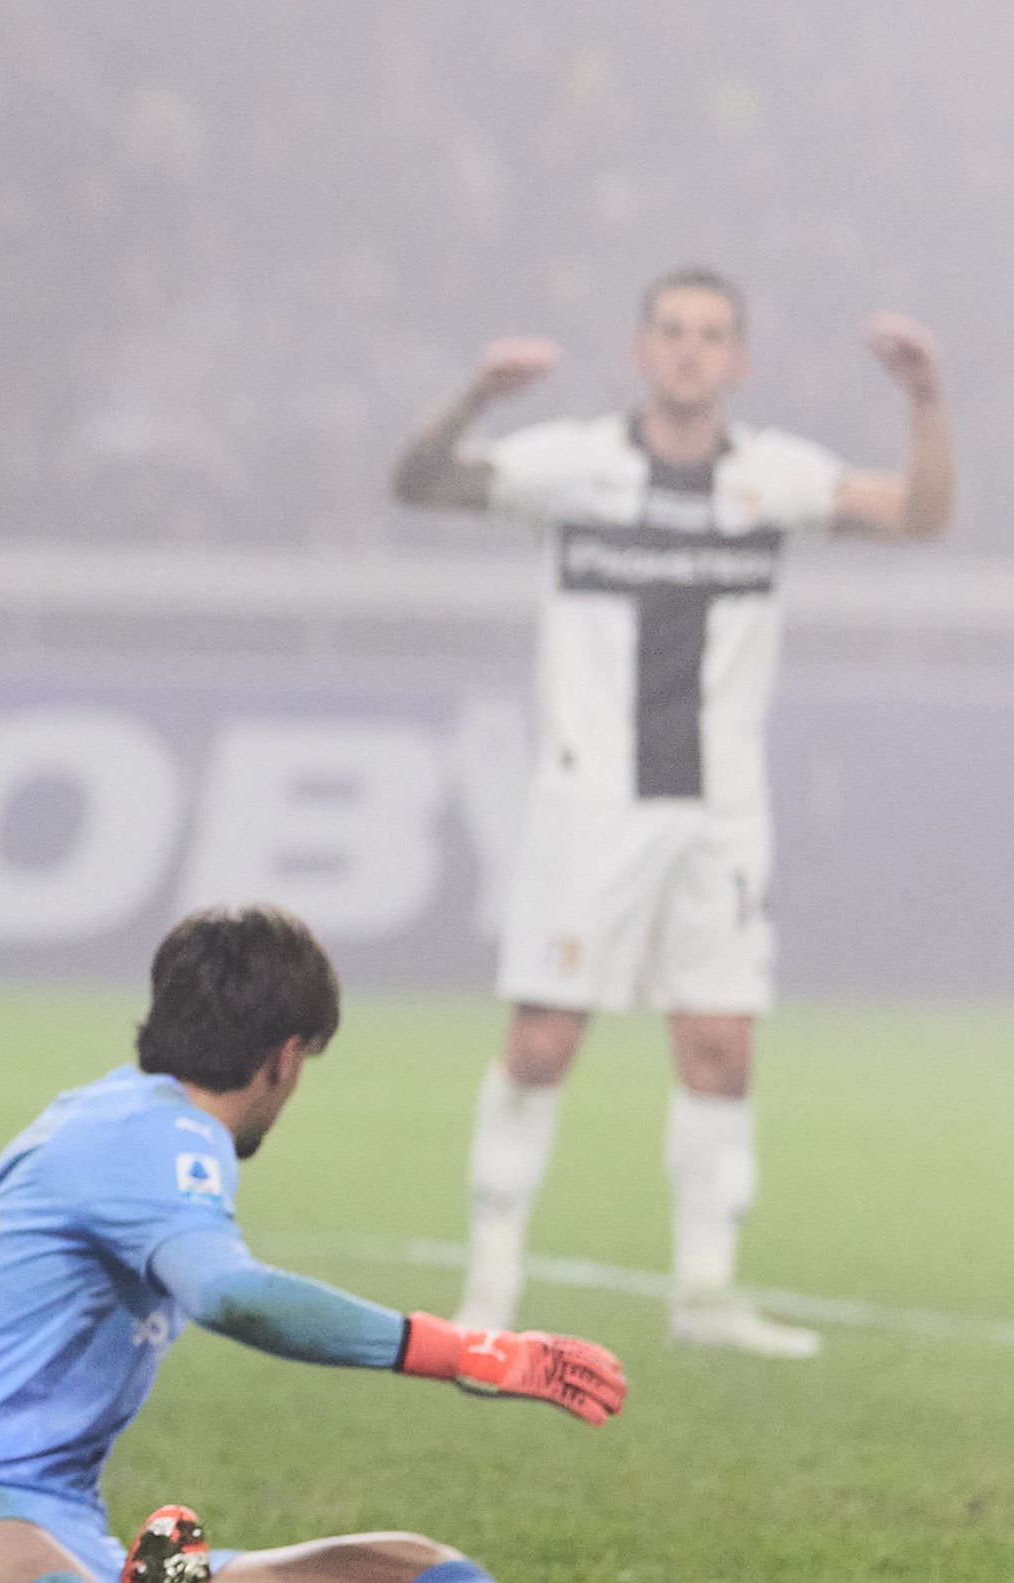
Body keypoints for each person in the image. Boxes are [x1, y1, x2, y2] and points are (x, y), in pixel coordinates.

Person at [0, 906, 805, 1583]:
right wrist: (472, 1351)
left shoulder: (104, 1116)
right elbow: (233, 1296)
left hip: (77, 1543)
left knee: (409, 1572)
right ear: (286, 1056)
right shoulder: (158, 1138)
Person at [390, 270, 952, 1357]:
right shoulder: (577, 466)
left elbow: (920, 519)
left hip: (719, 812)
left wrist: (925, 400)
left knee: (718, 1049)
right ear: (641, 351)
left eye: (711, 336)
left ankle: (703, 1295)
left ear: (738, 361)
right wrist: (473, 399)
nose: (690, 352)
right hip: (587, 802)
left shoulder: (772, 478)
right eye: (673, 333)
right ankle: (488, 1293)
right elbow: (416, 482)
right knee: (543, 1043)